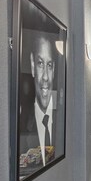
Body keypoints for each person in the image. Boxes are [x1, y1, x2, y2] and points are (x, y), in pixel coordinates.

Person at [19, 34, 56, 166]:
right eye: (40, 64)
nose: (45, 77)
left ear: (54, 70)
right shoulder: (20, 123)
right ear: (32, 65)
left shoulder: (64, 121)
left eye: (49, 65)